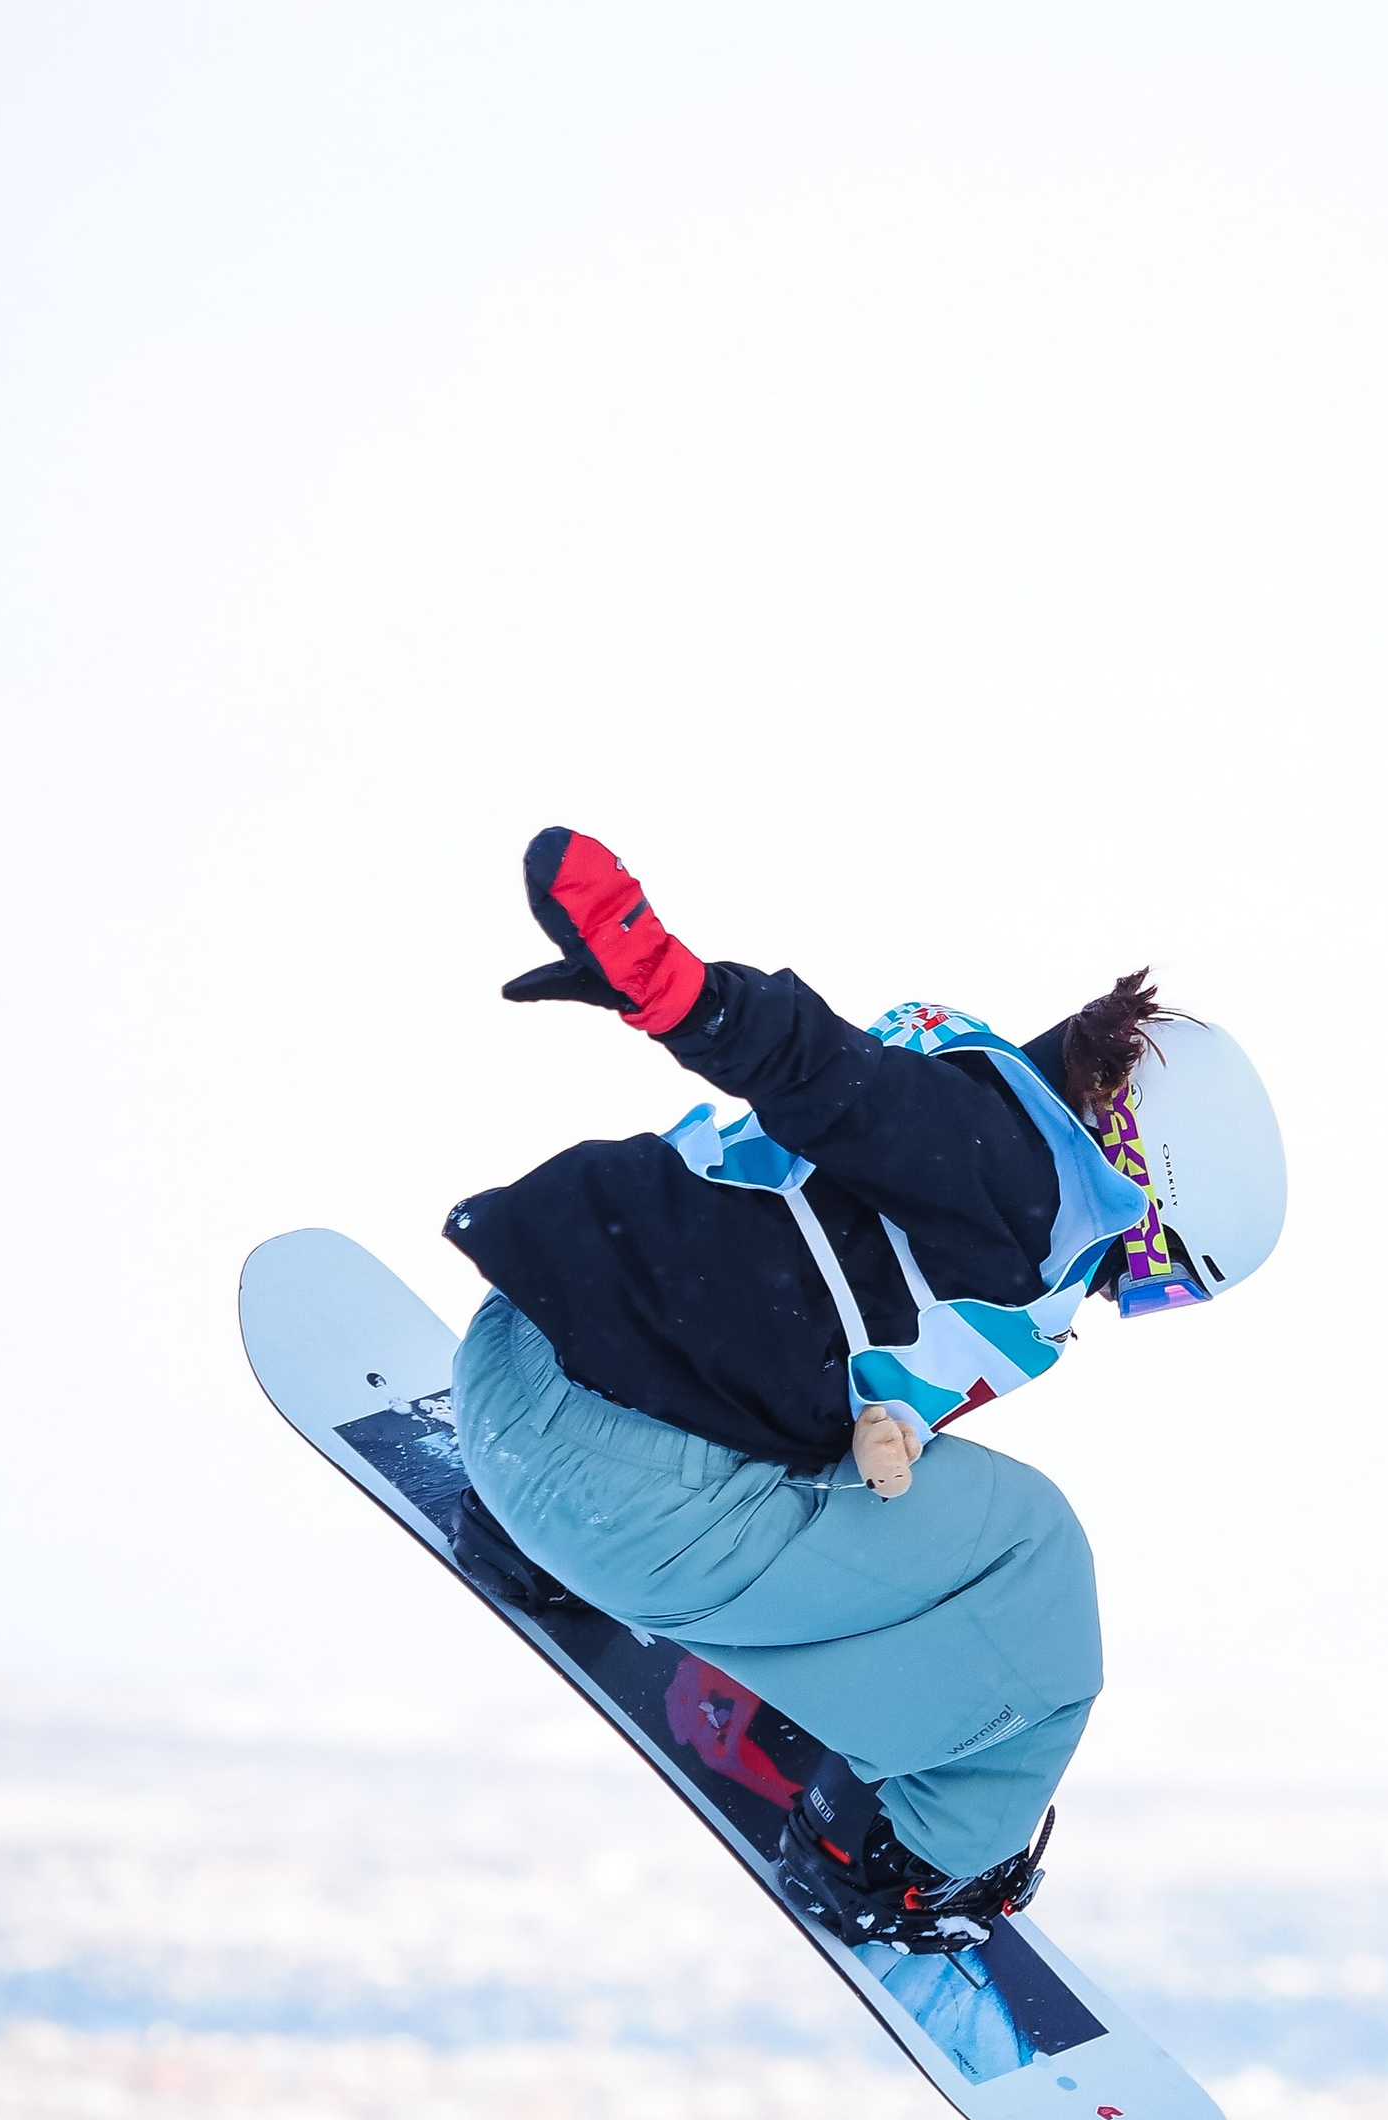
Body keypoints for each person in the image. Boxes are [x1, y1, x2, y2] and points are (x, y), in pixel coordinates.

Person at [442, 829, 1286, 1954]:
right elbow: (814, 1068)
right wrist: (680, 992)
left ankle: (537, 1553)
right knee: (1032, 1567)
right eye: (1155, 1277)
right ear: (1137, 1172)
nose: (1118, 1303)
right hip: (614, 1496)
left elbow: (846, 1117)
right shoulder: (1021, 1182)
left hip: (508, 1373)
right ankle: (899, 1863)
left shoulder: (973, 1107)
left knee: (878, 1471)